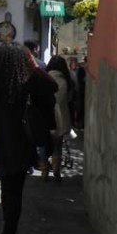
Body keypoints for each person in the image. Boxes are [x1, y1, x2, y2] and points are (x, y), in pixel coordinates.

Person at [0, 42, 56, 234]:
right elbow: (53, 87)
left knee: (7, 191)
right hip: (22, 143)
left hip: (0, 143)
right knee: (16, 192)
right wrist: (34, 66)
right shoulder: (27, 81)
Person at [44, 55, 73, 183]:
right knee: (57, 146)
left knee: (44, 145)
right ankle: (56, 171)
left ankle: (44, 170)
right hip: (61, 117)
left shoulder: (44, 78)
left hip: (46, 116)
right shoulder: (66, 80)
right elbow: (70, 99)